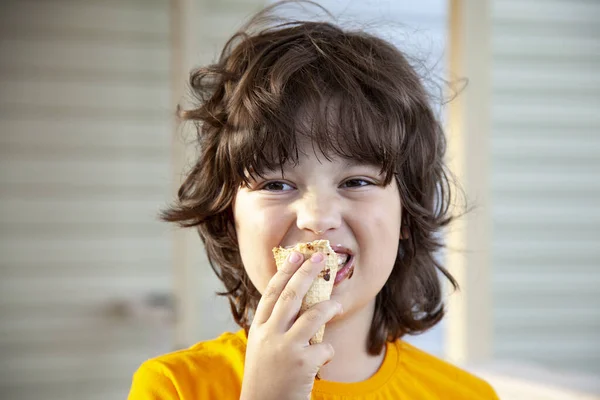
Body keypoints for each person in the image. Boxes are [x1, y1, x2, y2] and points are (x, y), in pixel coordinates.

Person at [128, 1, 499, 399]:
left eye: (356, 181)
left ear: (406, 213)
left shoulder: (467, 395)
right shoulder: (175, 387)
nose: (318, 218)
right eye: (275, 185)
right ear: (227, 217)